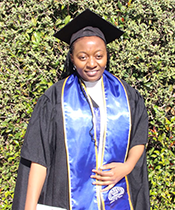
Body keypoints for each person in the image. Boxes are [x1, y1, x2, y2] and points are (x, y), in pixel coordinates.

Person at [12, 9, 150, 210]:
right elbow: (38, 156)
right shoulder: (54, 98)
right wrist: (29, 207)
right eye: (82, 57)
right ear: (72, 58)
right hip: (67, 200)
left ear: (107, 55)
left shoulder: (127, 96)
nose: (92, 63)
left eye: (99, 55)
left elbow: (139, 137)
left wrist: (127, 167)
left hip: (117, 196)